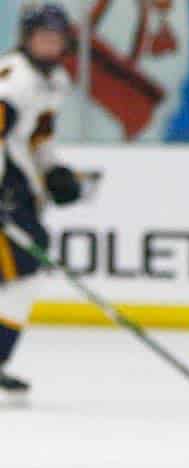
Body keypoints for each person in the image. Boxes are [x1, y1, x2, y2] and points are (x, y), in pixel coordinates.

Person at [0, 3, 81, 398]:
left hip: (17, 192)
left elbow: (38, 138)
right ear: (27, 37)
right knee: (26, 266)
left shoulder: (55, 81)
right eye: (42, 36)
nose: (50, 44)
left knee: (23, 272)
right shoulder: (14, 80)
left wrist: (53, 171)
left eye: (56, 37)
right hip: (7, 190)